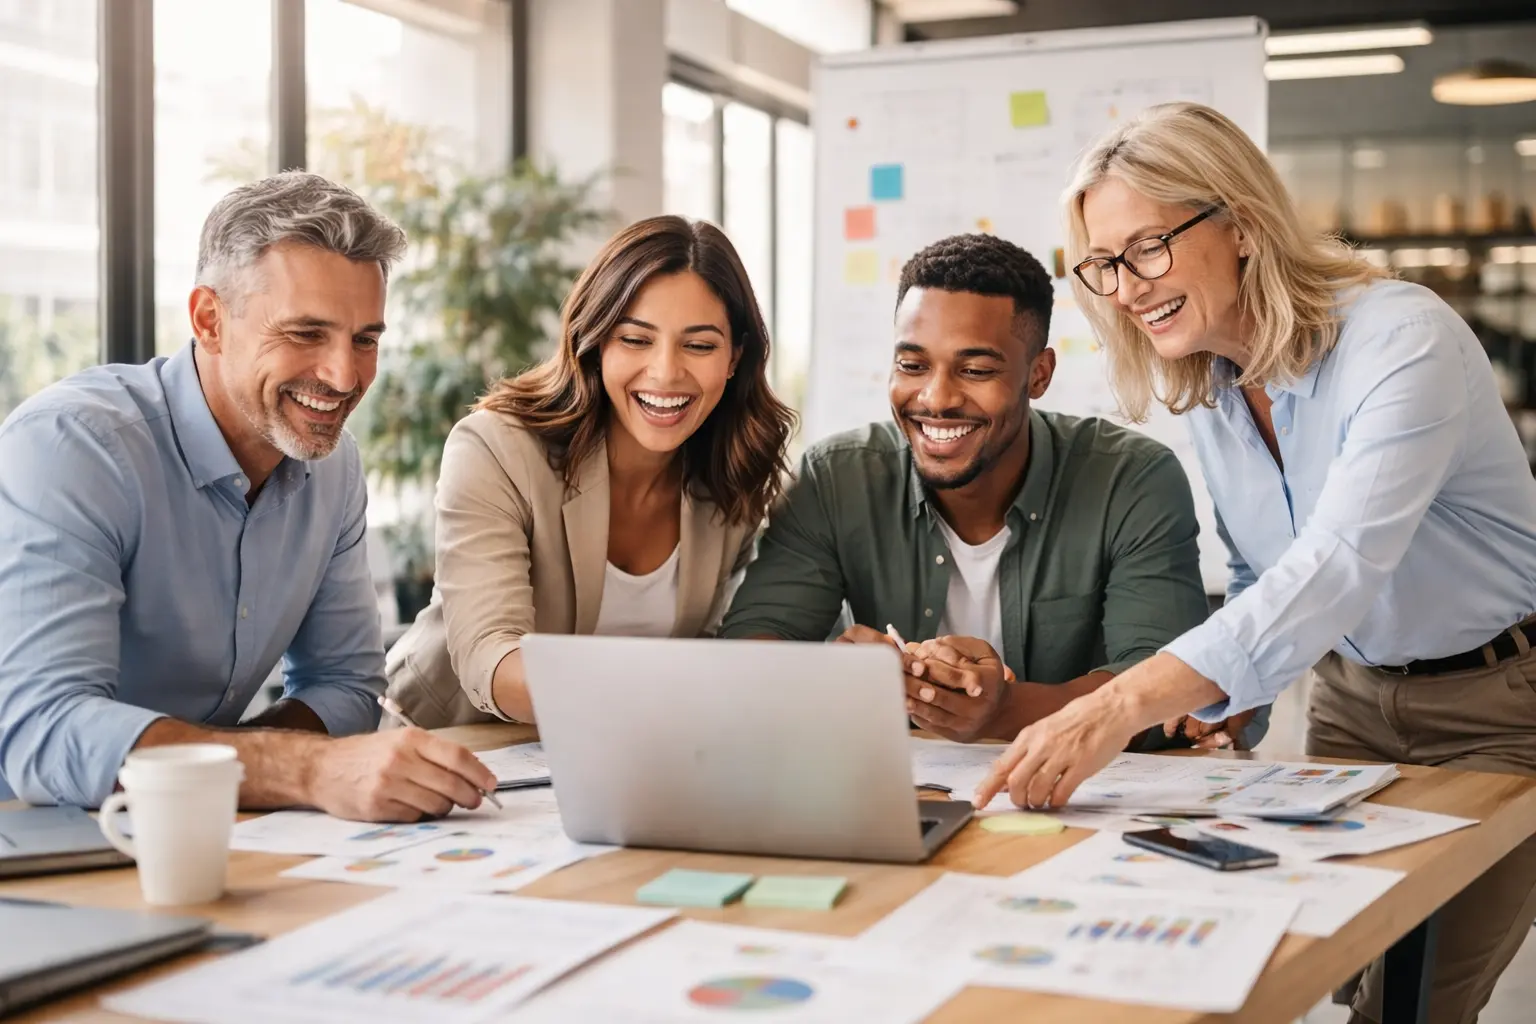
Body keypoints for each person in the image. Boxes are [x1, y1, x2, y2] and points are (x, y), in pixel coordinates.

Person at [977, 102, 1536, 1024]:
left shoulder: (1402, 339)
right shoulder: (1212, 383)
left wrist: (1119, 705)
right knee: (1332, 962)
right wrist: (1227, 706)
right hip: (1353, 701)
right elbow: (1257, 571)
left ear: (1238, 222)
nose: (1125, 286)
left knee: (1418, 1000)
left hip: (1501, 704)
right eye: (1106, 263)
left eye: (1148, 245)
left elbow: (1336, 562)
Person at [0, 171, 497, 820]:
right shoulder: (75, 446)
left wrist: (229, 771)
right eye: (306, 334)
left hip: (185, 827)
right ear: (210, 319)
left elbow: (346, 686)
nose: (344, 376)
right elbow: (43, 728)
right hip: (32, 837)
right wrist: (298, 769)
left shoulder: (334, 465)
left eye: (365, 339)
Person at [719, 233, 1226, 749]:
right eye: (912, 366)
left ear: (1039, 375)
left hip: (1088, 799)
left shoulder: (1132, 481)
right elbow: (747, 653)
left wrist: (1003, 711)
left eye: (976, 370)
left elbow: (1169, 689)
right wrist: (835, 677)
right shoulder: (837, 478)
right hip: (900, 796)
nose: (936, 399)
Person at [383, 216, 795, 726]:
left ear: (734, 357)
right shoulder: (495, 447)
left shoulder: (736, 473)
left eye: (700, 345)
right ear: (595, 342)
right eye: (635, 339)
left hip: (623, 760)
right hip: (456, 744)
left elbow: (720, 645)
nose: (666, 372)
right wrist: (653, 695)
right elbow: (490, 654)